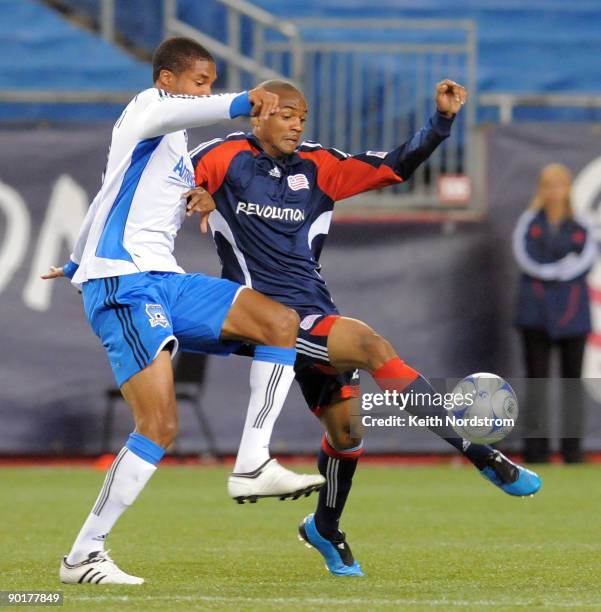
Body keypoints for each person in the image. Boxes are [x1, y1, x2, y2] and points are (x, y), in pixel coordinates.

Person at [189, 79, 542, 577]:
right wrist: (196, 195)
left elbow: (394, 165)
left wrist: (441, 122)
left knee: (348, 435)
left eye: (302, 117)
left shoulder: (320, 166)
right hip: (261, 317)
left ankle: (324, 528)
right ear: (257, 114)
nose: (296, 124)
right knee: (371, 345)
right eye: (286, 114)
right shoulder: (223, 156)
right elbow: (173, 181)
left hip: (314, 312)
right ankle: (481, 453)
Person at [43, 38, 325, 586]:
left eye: (212, 81)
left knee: (278, 322)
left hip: (165, 280)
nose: (206, 91)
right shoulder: (147, 108)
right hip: (124, 284)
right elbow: (196, 109)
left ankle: (252, 463)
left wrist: (198, 196)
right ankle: (83, 555)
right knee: (159, 425)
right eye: (200, 80)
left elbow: (109, 195)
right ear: (167, 80)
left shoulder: (170, 144)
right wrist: (247, 98)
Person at [513, 163, 596, 463]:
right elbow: (525, 257)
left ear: (569, 188)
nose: (555, 191)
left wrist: (561, 271)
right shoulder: (529, 222)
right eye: (549, 185)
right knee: (537, 382)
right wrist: (551, 270)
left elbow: (586, 256)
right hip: (534, 311)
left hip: (573, 311)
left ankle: (573, 451)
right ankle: (536, 451)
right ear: (541, 189)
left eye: (560, 185)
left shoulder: (582, 223)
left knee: (570, 383)